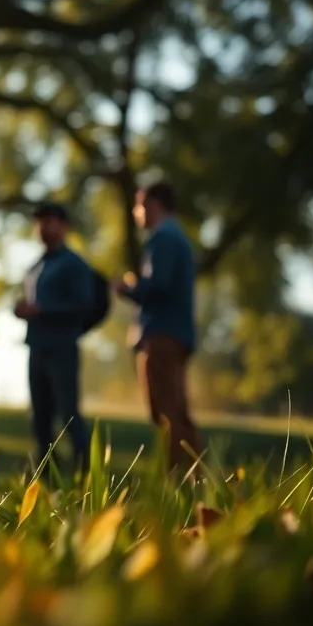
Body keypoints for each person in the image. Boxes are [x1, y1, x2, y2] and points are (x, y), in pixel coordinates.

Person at [112, 181, 202, 472]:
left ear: (153, 205)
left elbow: (159, 285)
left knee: (166, 412)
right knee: (175, 409)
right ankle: (195, 481)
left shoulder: (162, 239)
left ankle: (179, 481)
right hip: (175, 333)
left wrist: (129, 289)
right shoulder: (179, 239)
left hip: (161, 334)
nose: (137, 213)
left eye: (139, 206)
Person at [14, 202, 97, 477]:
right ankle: (47, 479)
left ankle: (85, 474)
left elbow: (84, 306)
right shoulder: (36, 266)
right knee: (39, 418)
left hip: (61, 348)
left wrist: (42, 311)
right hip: (36, 348)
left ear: (64, 226)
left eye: (50, 221)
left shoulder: (74, 264)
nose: (44, 227)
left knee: (68, 414)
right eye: (40, 222)